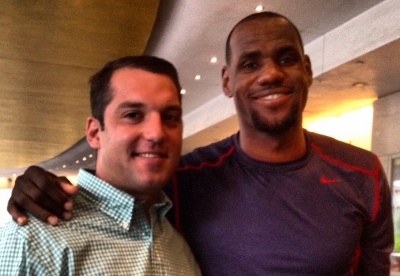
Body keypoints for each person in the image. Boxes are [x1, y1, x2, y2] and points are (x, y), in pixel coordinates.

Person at [7, 12, 393, 276]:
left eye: (287, 58)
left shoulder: (363, 173)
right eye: (250, 63)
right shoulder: (185, 179)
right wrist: (34, 190)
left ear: (307, 69)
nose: (271, 74)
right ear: (226, 81)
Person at [0, 56, 201, 275]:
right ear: (95, 133)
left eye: (170, 117)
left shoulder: (177, 243)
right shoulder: (31, 241)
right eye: (133, 115)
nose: (157, 133)